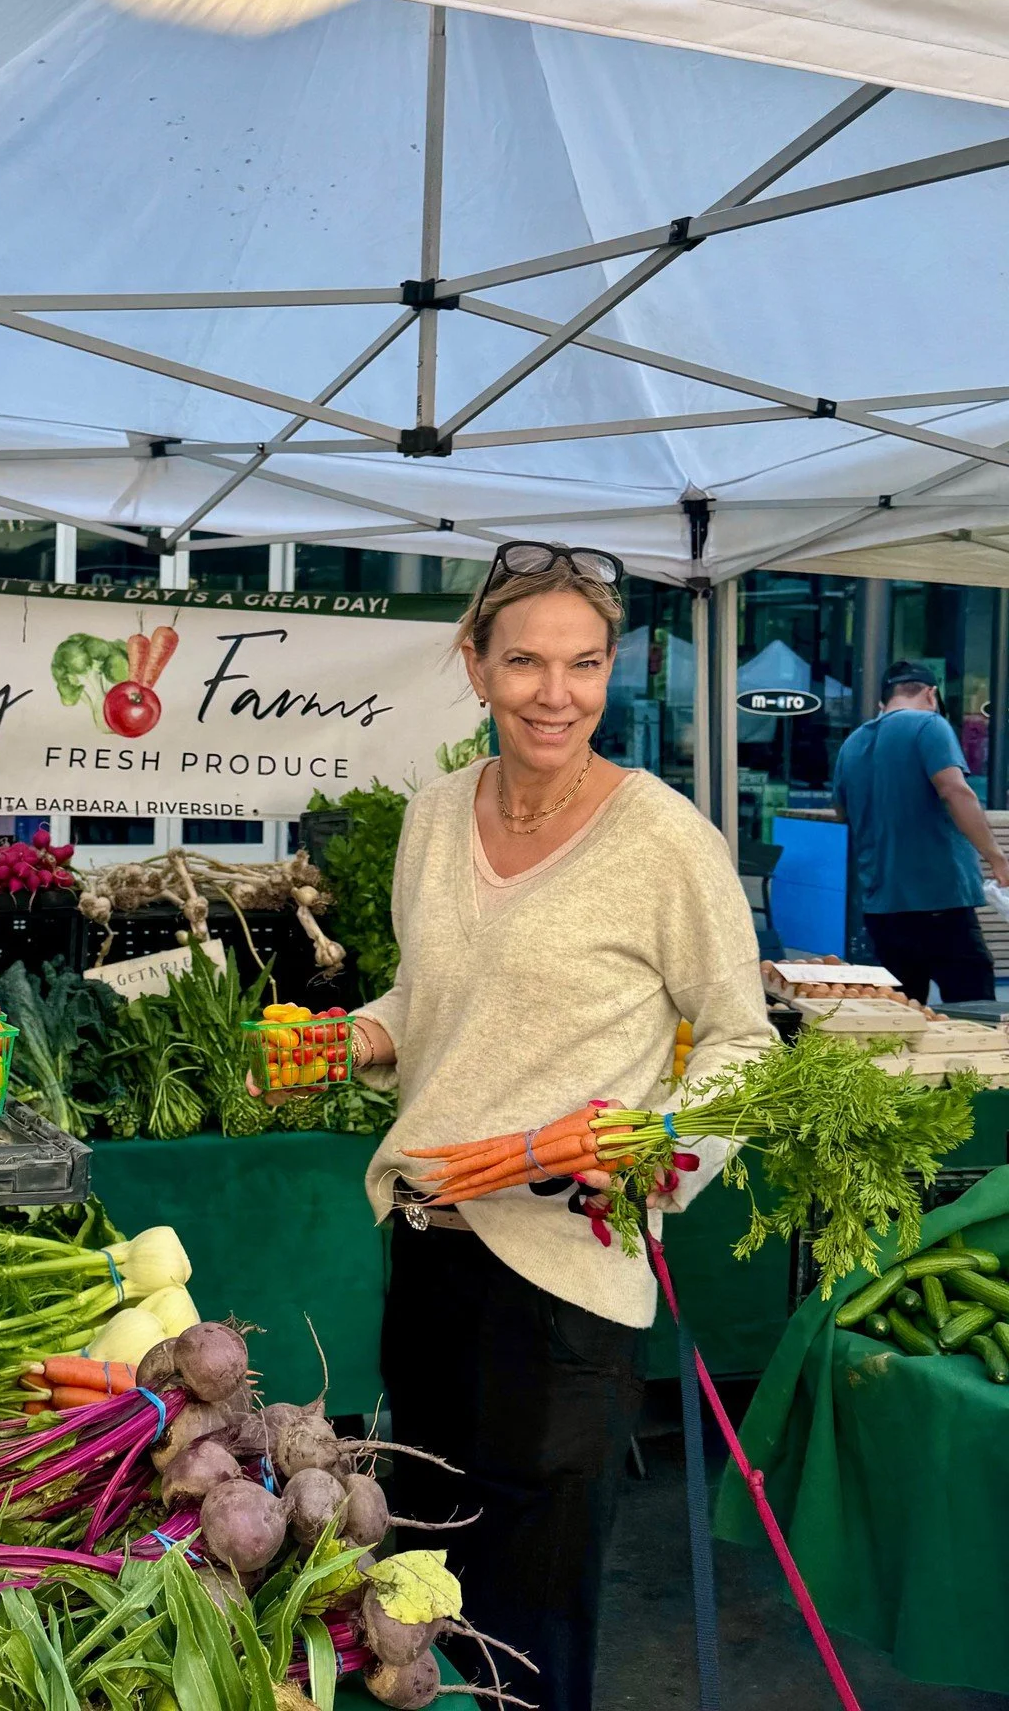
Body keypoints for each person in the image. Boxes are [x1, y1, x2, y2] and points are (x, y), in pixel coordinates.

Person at [344, 543, 772, 1710]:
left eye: (584, 665)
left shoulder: (663, 838)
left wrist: (642, 1141)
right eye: (525, 661)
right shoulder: (434, 819)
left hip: (564, 1265)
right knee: (425, 1578)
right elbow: (437, 997)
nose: (556, 692)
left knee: (529, 1622)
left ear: (612, 670)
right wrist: (361, 1037)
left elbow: (746, 1045)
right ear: (472, 664)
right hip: (429, 1234)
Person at [832, 659, 1009, 1005]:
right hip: (939, 899)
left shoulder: (851, 744)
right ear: (931, 694)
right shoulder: (930, 725)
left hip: (882, 906)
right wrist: (997, 857)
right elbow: (955, 791)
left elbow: (842, 812)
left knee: (901, 1014)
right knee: (974, 1009)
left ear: (884, 700)